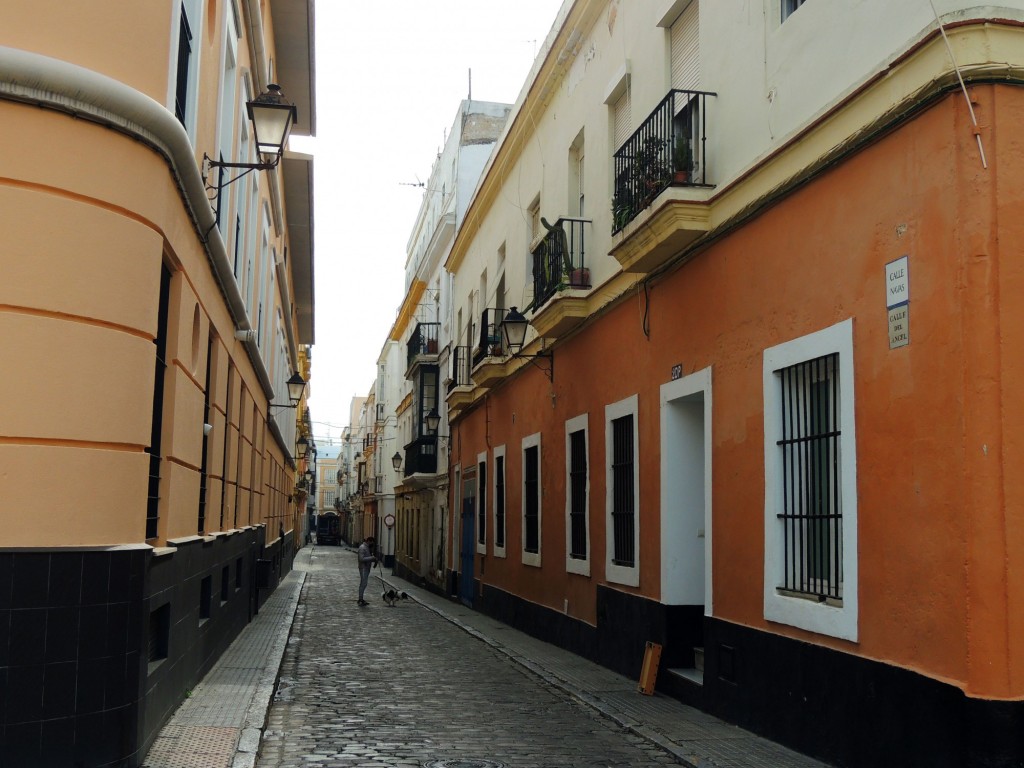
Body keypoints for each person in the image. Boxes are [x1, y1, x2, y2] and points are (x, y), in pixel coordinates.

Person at [356, 536, 377, 606]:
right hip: (363, 568)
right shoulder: (362, 548)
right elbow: (361, 559)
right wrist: (372, 558)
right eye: (371, 543)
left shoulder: (367, 548)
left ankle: (361, 598)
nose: (372, 544)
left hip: (366, 568)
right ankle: (360, 599)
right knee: (363, 583)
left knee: (364, 583)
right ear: (368, 541)